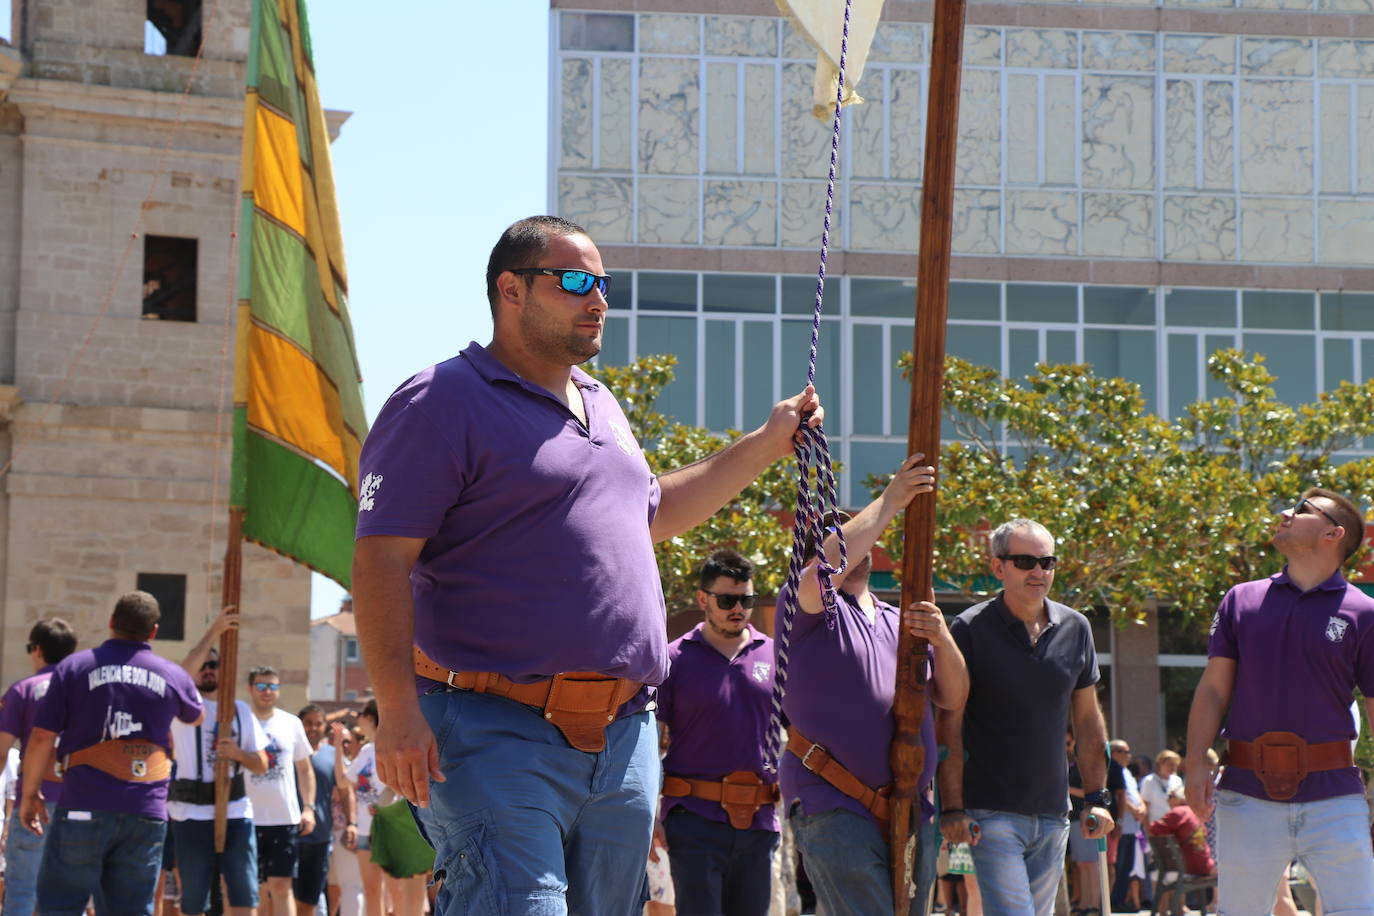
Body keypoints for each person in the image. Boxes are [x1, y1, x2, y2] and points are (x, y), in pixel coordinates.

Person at [350, 214, 825, 915]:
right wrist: (394, 713)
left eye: (604, 283)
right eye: (575, 281)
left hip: (624, 736)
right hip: (491, 731)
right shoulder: (441, 399)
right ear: (511, 290)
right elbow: (380, 562)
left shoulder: (602, 404)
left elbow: (651, 513)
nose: (598, 299)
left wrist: (764, 444)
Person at [780, 454, 968, 915]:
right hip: (834, 799)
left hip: (911, 804)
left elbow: (954, 695)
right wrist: (891, 499)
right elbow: (824, 573)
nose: (847, 544)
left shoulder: (900, 619)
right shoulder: (802, 608)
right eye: (833, 539)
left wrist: (941, 640)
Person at [1185, 487, 1374, 914]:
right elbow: (1214, 689)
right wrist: (1195, 758)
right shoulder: (1240, 599)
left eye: (1302, 509)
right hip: (1245, 793)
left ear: (1333, 533)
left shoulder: (1365, 613)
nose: (1285, 513)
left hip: (1336, 798)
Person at [937, 519, 1114, 916]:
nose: (1039, 572)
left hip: (1055, 815)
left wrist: (1098, 798)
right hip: (991, 812)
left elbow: (1087, 721)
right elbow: (948, 723)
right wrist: (952, 808)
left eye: (1047, 562)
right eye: (1025, 561)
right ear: (998, 567)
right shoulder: (967, 629)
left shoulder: (1076, 627)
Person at [17, 590, 202, 913]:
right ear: (154, 631)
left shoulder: (74, 667)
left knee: (60, 906)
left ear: (111, 622)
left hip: (83, 803)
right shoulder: (171, 674)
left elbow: (41, 738)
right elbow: (195, 715)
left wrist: (30, 793)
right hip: (145, 809)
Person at [657, 549, 777, 916]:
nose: (738, 608)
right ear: (702, 599)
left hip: (759, 822)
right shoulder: (673, 659)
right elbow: (648, 743)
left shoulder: (776, 656)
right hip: (692, 820)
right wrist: (647, 817)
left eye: (747, 600)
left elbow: (801, 735)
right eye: (727, 600)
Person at [169, 609, 270, 916]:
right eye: (204, 665)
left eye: (215, 665)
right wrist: (213, 632)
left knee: (243, 894)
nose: (208, 670)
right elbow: (179, 678)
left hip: (236, 811)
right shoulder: (181, 707)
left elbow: (262, 763)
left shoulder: (240, 710)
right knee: (194, 899)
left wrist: (238, 754)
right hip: (191, 813)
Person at [0, 617, 76, 915]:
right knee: (70, 897)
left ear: (38, 650)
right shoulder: (86, 690)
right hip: (81, 803)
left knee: (22, 892)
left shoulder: (23, 690)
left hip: (33, 801)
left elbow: (2, 750)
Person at [336, 701, 425, 916]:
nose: (357, 720)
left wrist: (382, 806)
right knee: (372, 890)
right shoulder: (366, 750)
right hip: (366, 832)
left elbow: (399, 788)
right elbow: (342, 782)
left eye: (360, 715)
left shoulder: (396, 747)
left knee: (397, 891)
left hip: (391, 831)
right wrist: (338, 746)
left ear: (369, 718)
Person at [243, 666, 316, 916]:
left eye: (273, 686)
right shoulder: (240, 721)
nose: (267, 692)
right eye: (261, 686)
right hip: (245, 817)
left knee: (282, 887)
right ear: (250, 689)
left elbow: (305, 770)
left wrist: (308, 808)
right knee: (255, 889)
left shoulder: (291, 723)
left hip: (284, 817)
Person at [295, 704, 346, 916]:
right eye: (308, 723)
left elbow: (345, 791)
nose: (313, 728)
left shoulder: (332, 755)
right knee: (280, 896)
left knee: (309, 901)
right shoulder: (287, 752)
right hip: (286, 835)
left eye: (318, 723)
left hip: (319, 839)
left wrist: (351, 823)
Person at [1108, 740, 1148, 913]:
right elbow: (1119, 796)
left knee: (1128, 866)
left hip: (1134, 828)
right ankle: (1114, 901)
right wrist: (1134, 810)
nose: (1128, 755)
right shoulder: (1111, 770)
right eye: (1123, 751)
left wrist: (1142, 809)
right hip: (1121, 827)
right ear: (1112, 752)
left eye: (1128, 751)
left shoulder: (1128, 774)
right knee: (1118, 866)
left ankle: (1121, 899)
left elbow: (1136, 795)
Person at [1138, 750, 1181, 825]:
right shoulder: (1149, 781)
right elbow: (1145, 807)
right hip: (1156, 826)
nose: (1173, 767)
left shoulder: (1177, 780)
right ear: (1160, 763)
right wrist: (1148, 830)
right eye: (1170, 764)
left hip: (1175, 826)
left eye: (1175, 764)